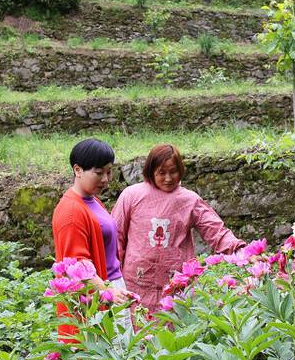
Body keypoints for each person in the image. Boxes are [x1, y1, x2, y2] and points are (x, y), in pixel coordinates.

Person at [113, 143, 246, 311]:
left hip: (176, 285)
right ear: (150, 170)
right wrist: (113, 276)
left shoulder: (189, 200)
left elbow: (216, 231)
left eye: (173, 171)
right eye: (162, 172)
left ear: (181, 170)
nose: (168, 178)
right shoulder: (131, 195)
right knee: (137, 331)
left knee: (175, 332)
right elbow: (115, 236)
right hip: (136, 284)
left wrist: (242, 250)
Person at [51, 138, 126, 343]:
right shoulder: (71, 212)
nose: (105, 179)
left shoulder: (92, 200)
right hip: (97, 296)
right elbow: (77, 267)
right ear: (78, 170)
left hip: (111, 287)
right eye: (99, 173)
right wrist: (106, 292)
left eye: (109, 172)